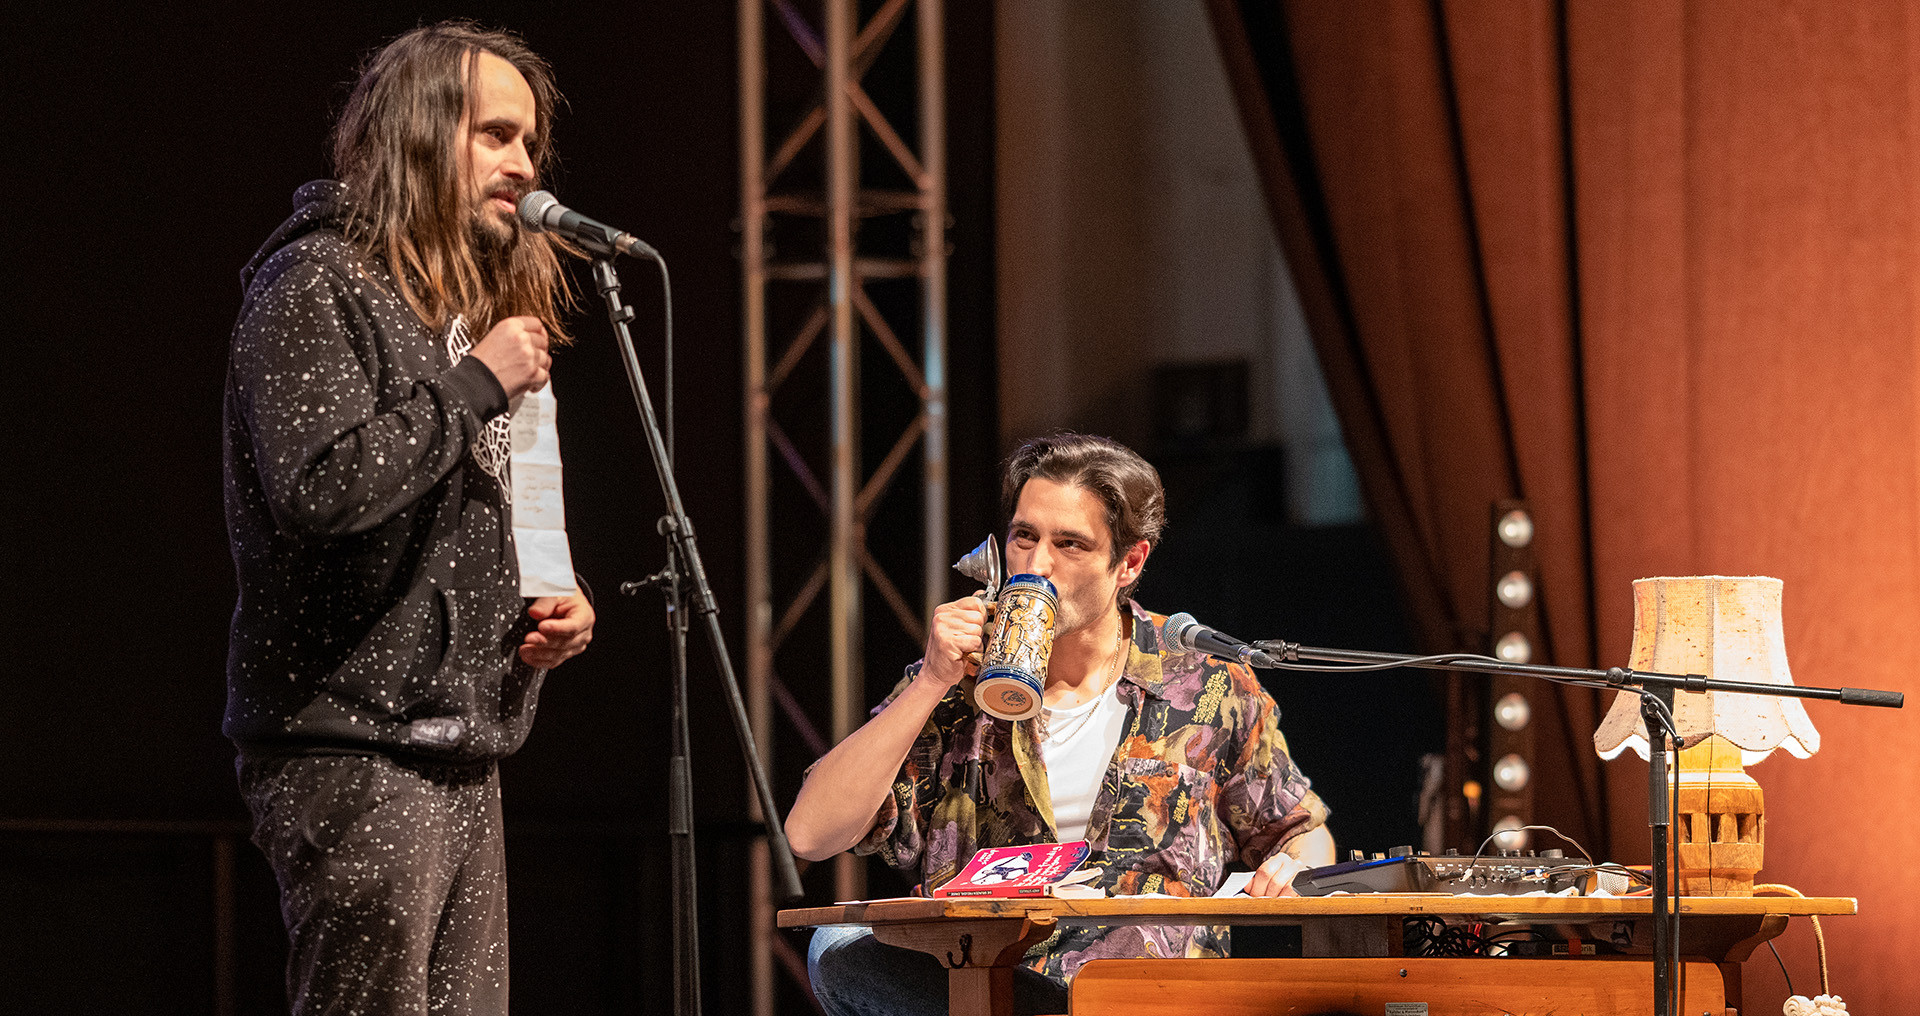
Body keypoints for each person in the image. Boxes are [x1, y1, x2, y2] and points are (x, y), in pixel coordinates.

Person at [222, 22, 594, 1015]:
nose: (525, 164)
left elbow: (485, 498)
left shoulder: (466, 309)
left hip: (464, 749)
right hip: (353, 745)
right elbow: (319, 488)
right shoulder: (315, 282)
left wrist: (549, 593)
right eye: (497, 135)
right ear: (421, 136)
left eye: (530, 142)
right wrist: (475, 385)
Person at [786, 433, 1336, 1015]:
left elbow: (1300, 829)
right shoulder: (956, 684)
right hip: (997, 989)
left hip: (1150, 996)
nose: (1037, 564)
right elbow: (809, 834)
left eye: (1069, 544)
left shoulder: (1206, 683)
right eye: (1024, 537)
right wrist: (928, 683)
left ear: (1129, 563)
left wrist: (1297, 864)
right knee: (836, 950)